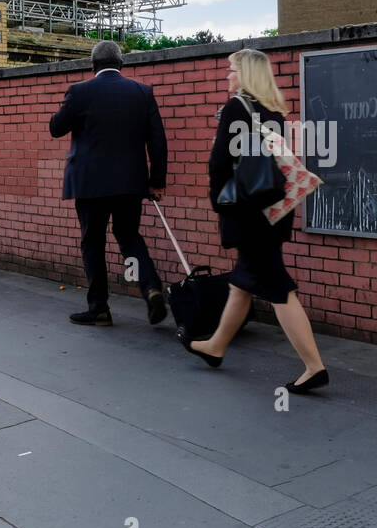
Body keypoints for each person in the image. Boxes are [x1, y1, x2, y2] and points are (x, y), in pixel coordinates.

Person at [178, 48, 328, 393]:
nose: (227, 76)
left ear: (244, 74)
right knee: (242, 281)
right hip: (273, 209)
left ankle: (314, 366)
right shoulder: (273, 110)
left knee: (276, 285)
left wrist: (218, 200)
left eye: (231, 70)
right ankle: (215, 346)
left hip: (248, 211)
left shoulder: (237, 107)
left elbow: (219, 162)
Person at [49, 40, 168, 326]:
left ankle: (99, 308)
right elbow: (158, 141)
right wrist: (157, 181)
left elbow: (56, 128)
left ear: (93, 65)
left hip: (89, 184)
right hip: (130, 182)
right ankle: (150, 288)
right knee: (129, 237)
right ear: (121, 65)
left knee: (93, 242)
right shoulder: (142, 92)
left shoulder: (80, 92)